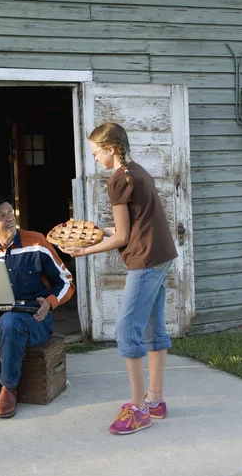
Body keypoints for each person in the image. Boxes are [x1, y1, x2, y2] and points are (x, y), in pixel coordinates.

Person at [61, 122, 177, 435]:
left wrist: (84, 252)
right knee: (153, 326)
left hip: (146, 260)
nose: (95, 159)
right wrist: (98, 232)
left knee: (127, 329)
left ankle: (138, 409)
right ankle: (155, 400)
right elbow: (135, 226)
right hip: (160, 255)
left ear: (111, 149)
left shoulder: (118, 181)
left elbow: (123, 236)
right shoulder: (137, 171)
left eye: (96, 153)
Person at [0, 189, 75, 419]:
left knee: (11, 321)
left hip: (33, 321)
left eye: (10, 212)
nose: (9, 218)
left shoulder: (37, 242)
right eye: (1, 216)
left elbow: (67, 282)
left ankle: (8, 387)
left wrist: (49, 303)